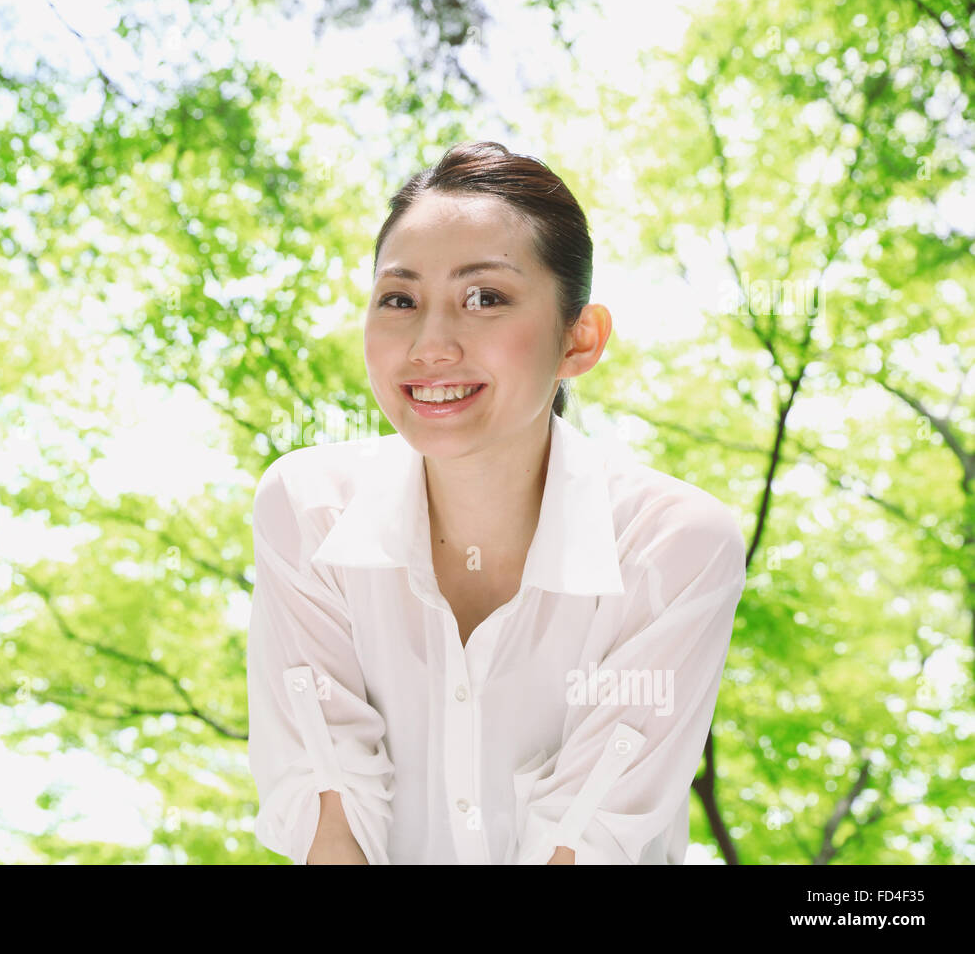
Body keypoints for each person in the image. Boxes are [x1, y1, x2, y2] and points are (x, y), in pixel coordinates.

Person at [245, 141, 748, 864]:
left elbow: (586, 843)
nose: (431, 344)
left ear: (579, 338)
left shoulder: (673, 547)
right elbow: (331, 810)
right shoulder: (307, 511)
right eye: (399, 299)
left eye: (485, 297)